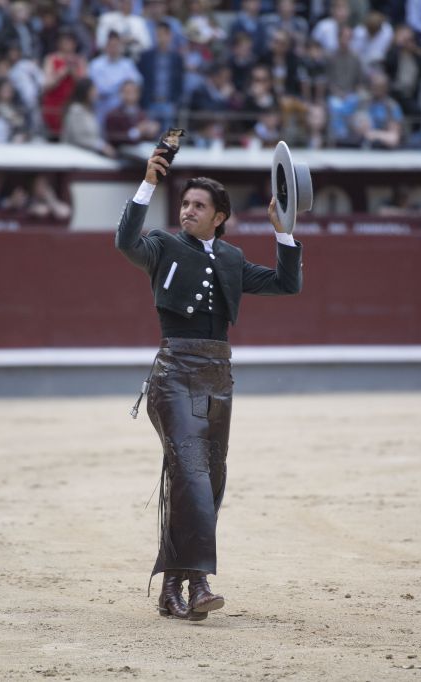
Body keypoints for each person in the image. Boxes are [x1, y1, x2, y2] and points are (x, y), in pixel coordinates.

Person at [114, 144, 302, 622]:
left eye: (199, 206)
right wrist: (148, 184)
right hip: (174, 375)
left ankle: (170, 588)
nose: (188, 211)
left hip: (219, 378)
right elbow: (125, 242)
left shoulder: (233, 258)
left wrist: (285, 233)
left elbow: (287, 285)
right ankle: (199, 583)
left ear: (220, 217)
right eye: (185, 204)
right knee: (194, 476)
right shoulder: (162, 245)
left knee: (206, 481)